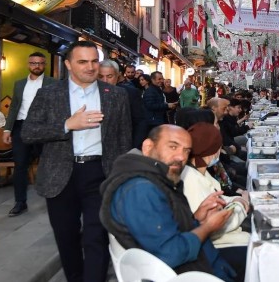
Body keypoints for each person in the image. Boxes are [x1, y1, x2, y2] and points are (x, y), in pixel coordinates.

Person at [22, 41, 131, 282]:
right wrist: (66, 125)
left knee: (97, 236)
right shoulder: (49, 94)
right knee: (66, 236)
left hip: (100, 172)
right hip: (60, 175)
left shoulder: (115, 95)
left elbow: (123, 139)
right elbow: (28, 133)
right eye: (83, 61)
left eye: (94, 61)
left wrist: (122, 178)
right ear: (69, 64)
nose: (91, 67)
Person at [99, 125, 237, 281]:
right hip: (192, 274)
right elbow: (171, 253)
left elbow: (162, 229)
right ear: (148, 147)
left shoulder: (156, 178)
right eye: (173, 146)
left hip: (202, 265)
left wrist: (197, 218)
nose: (181, 157)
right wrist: (208, 227)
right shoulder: (141, 190)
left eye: (186, 150)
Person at [182, 122, 250, 280]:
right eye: (217, 148)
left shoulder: (199, 171)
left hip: (222, 239)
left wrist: (237, 199)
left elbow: (217, 196)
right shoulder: (191, 179)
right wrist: (241, 205)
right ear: (209, 151)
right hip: (216, 246)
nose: (220, 152)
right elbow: (216, 224)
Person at [3, 52, 56, 217]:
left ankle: (53, 199)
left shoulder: (53, 83)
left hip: (43, 127)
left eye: (40, 63)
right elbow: (13, 107)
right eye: (33, 63)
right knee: (20, 165)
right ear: (28, 64)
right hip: (21, 126)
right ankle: (20, 202)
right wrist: (7, 129)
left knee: (48, 164)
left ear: (45, 65)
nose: (37, 66)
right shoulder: (19, 84)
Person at [99, 60, 148, 149]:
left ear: (117, 76)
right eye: (101, 76)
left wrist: (133, 148)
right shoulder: (89, 94)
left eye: (109, 76)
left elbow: (140, 122)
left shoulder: (130, 93)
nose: (105, 80)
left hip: (122, 148)